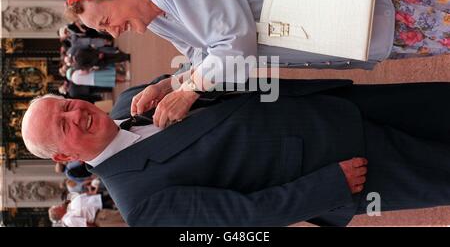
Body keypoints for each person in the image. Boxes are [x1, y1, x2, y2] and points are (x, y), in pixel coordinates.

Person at [61, 0, 450, 124]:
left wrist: (191, 91)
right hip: (338, 19)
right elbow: (204, 53)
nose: (111, 33)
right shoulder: (157, 10)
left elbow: (235, 46)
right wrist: (171, 84)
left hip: (342, 9)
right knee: (439, 5)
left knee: (441, 17)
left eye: (103, 20)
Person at [21, 76, 450, 226]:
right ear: (63, 157)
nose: (75, 114)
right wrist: (328, 188)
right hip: (344, 164)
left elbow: (217, 78)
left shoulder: (132, 99)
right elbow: (244, 218)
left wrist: (175, 83)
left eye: (65, 105)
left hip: (331, 104)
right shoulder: (140, 206)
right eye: (63, 125)